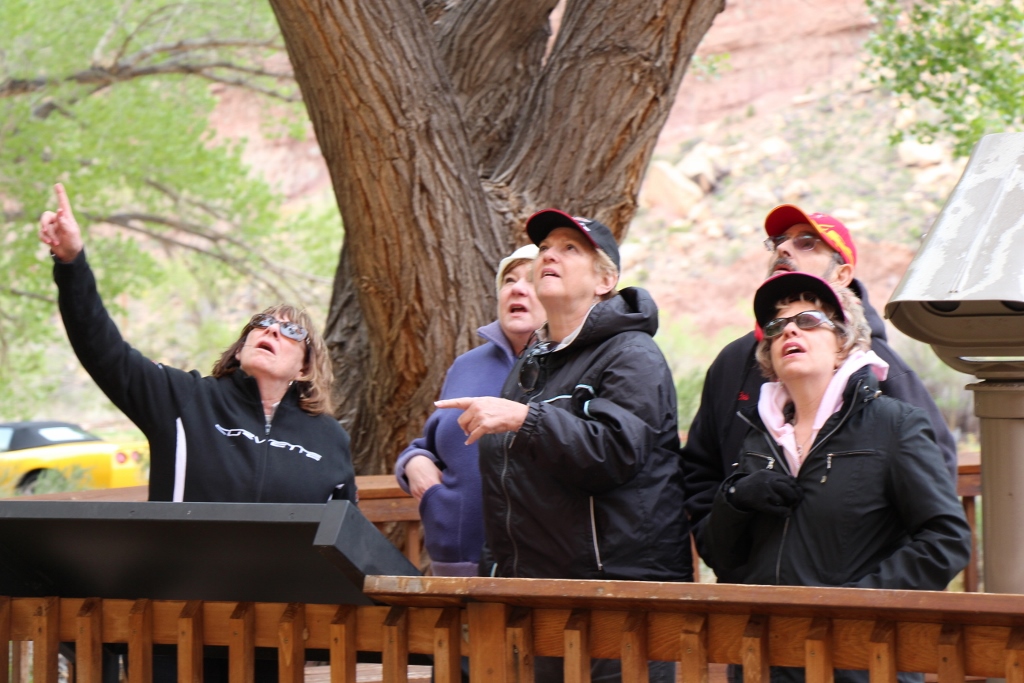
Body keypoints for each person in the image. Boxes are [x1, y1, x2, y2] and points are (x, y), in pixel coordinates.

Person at [438, 209, 688, 683]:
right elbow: (508, 487)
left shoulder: (632, 353)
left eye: (570, 248)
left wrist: (525, 417)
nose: (549, 254)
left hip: (618, 600)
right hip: (536, 598)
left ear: (605, 280)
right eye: (545, 248)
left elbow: (614, 454)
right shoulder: (534, 360)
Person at [695, 272, 971, 683]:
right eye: (776, 327)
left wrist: (853, 604)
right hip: (764, 662)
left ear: (844, 344)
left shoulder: (895, 425)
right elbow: (721, 557)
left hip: (861, 661)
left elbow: (946, 540)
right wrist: (734, 500)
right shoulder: (757, 438)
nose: (788, 329)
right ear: (768, 356)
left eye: (808, 320)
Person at [38, 183, 356, 504]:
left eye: (291, 332)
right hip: (179, 557)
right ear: (240, 347)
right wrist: (71, 262)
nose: (272, 331)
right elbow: (102, 350)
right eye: (263, 323)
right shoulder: (184, 399)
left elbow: (346, 534)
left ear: (304, 368)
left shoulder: (329, 439)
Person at [683, 204, 959, 559]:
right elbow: (699, 467)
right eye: (780, 241)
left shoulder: (882, 369)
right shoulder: (731, 363)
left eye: (807, 242)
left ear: (842, 274)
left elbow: (937, 479)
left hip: (856, 594)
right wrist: (722, 537)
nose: (784, 248)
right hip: (752, 590)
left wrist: (878, 580)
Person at [394, 244, 544, 577]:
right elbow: (432, 443)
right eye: (509, 280)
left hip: (533, 569)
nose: (517, 288)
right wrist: (414, 464)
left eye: (532, 280)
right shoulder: (467, 365)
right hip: (454, 563)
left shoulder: (567, 364)